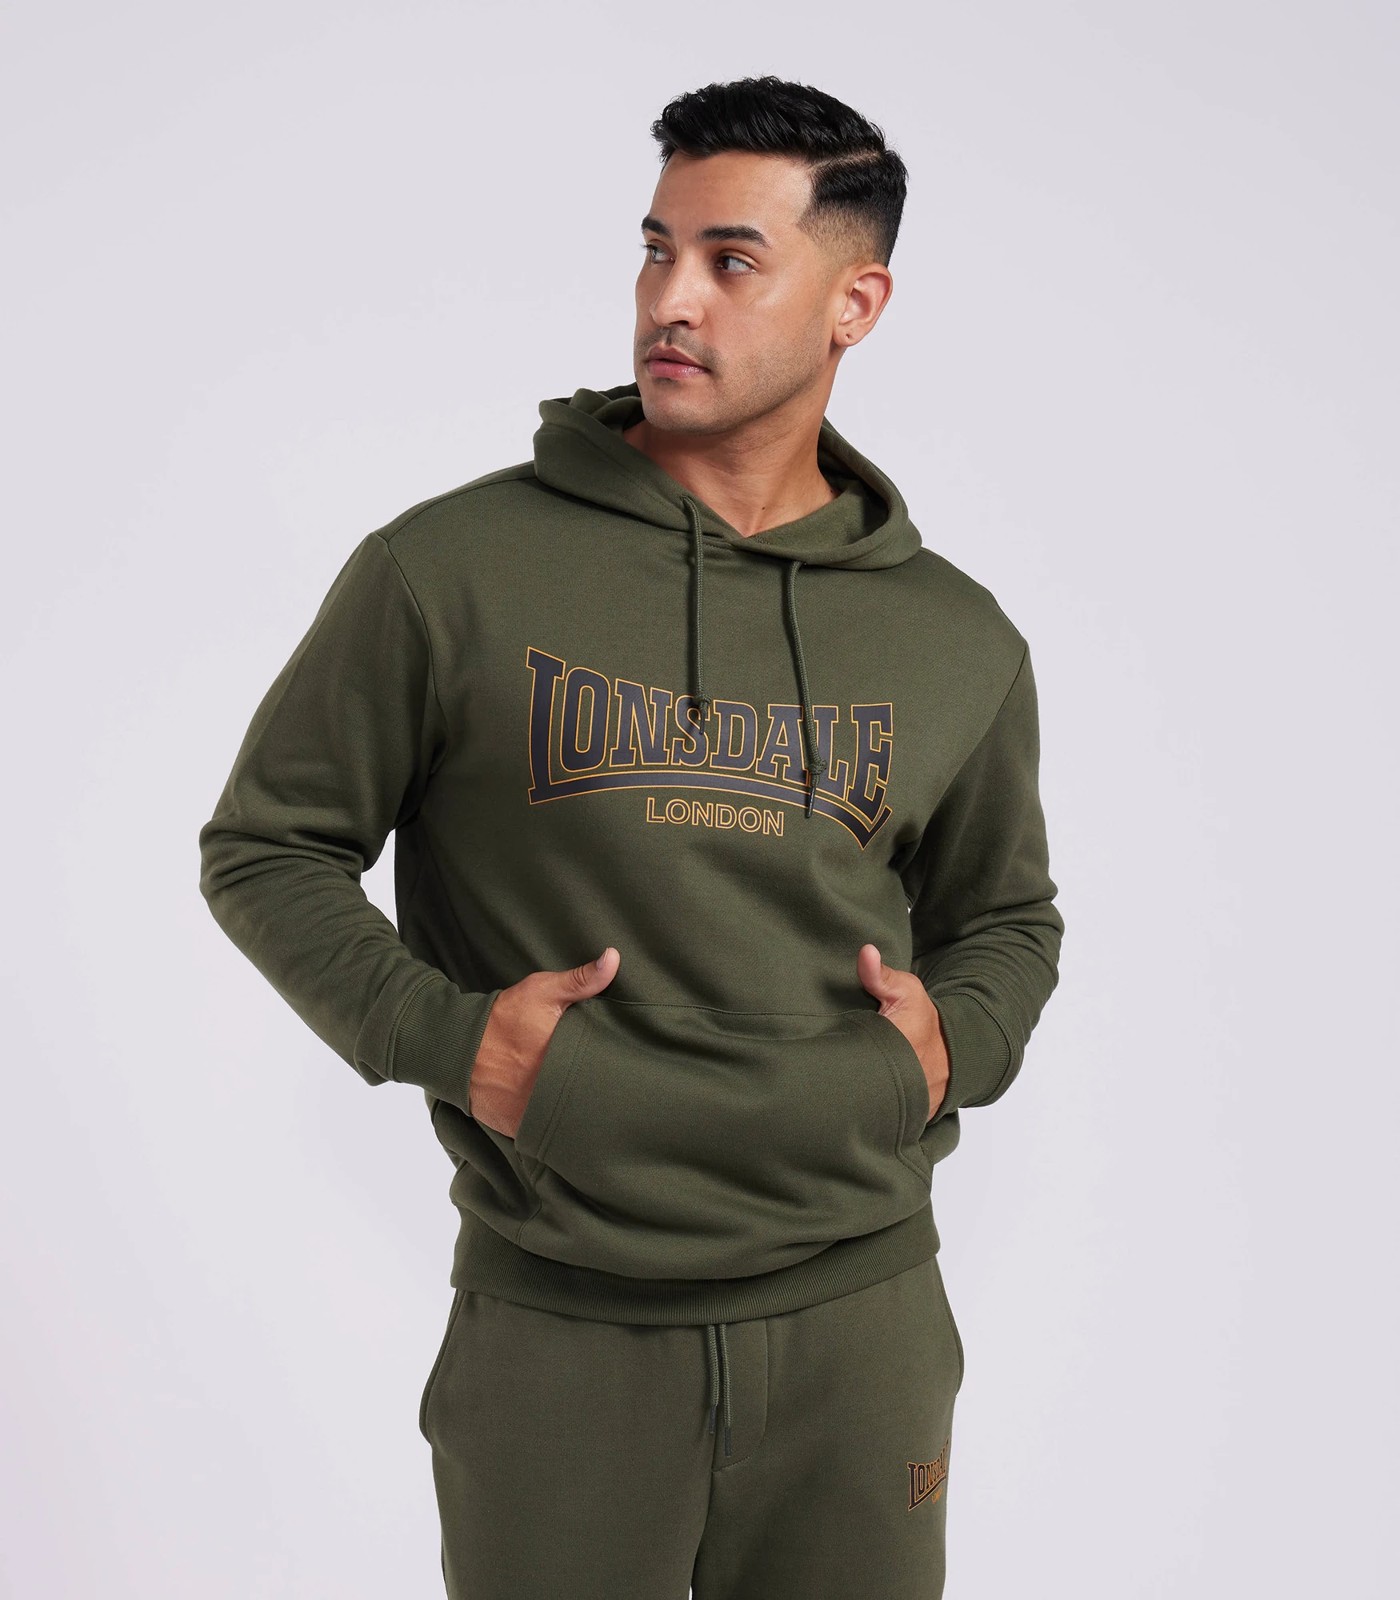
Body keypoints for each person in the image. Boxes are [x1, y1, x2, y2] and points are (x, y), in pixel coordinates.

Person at [198, 74, 1064, 1600]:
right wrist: (450, 1039)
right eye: (657, 250)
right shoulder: (447, 571)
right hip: (563, 1326)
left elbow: (1006, 917)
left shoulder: (954, 637)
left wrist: (948, 1051)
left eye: (732, 262)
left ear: (855, 303)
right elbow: (269, 846)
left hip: (862, 1323)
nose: (671, 299)